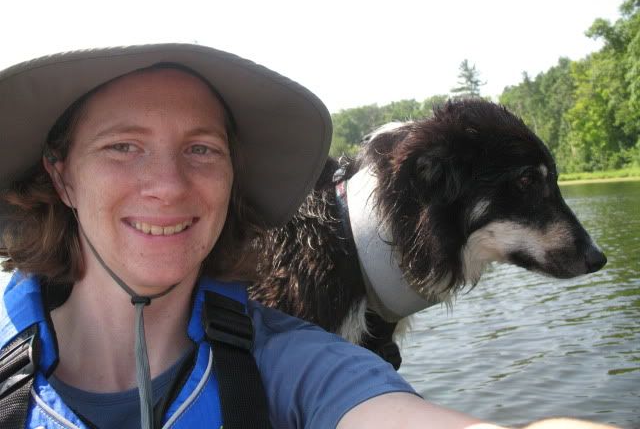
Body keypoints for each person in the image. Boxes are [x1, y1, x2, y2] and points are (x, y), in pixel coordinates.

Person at [0, 44, 618, 429]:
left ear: (231, 177)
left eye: (201, 149)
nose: (167, 185)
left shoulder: (295, 364)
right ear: (60, 174)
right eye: (122, 146)